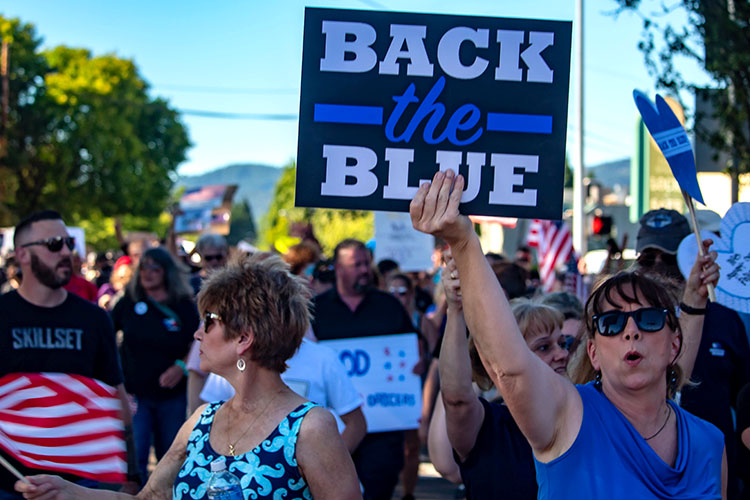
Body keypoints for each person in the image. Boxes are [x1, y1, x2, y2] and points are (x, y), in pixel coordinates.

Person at [410, 170, 725, 499]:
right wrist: (464, 243)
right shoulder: (568, 416)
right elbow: (510, 366)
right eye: (611, 323)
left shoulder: (709, 442)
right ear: (593, 352)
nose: (631, 331)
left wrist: (694, 300)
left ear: (675, 344)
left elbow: (675, 378)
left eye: (647, 319)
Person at [16, 253, 361, 500]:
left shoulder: (310, 427)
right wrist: (68, 491)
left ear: (244, 338)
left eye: (208, 322)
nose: (197, 335)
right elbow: (149, 497)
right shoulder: (200, 421)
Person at [0, 210, 138, 498]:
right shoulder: (3, 315)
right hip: (10, 482)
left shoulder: (94, 319)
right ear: (23, 254)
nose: (66, 252)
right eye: (54, 244)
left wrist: (131, 472)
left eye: (68, 243)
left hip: (80, 485)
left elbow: (116, 397)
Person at [432, 252, 571, 499]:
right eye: (544, 347)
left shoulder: (585, 415)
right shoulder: (489, 429)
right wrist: (456, 310)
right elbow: (457, 400)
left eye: (563, 343)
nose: (561, 354)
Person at [634, 208, 750, 498]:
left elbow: (746, 394)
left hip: (714, 477)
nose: (658, 266)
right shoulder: (624, 324)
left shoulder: (724, 318)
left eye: (669, 256)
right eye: (648, 257)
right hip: (644, 476)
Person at [311, 239, 416, 500]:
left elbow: (411, 348)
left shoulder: (389, 306)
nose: (365, 270)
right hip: (332, 430)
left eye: (366, 263)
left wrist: (418, 362)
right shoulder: (316, 311)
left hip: (383, 427)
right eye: (356, 264)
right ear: (338, 268)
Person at [111, 247, 199, 482]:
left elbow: (198, 341)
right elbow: (106, 336)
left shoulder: (183, 305)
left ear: (166, 272)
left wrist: (180, 367)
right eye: (144, 267)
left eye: (155, 268)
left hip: (172, 396)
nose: (148, 273)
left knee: (170, 457)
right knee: (136, 456)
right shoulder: (128, 303)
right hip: (136, 395)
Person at [199, 336, 368, 453]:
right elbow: (208, 424)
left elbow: (356, 423)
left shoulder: (323, 358)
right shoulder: (234, 359)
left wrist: (328, 465)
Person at [185, 233, 230, 414]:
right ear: (201, 257)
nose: (214, 262)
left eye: (218, 257)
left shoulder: (235, 282)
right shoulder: (190, 286)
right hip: (199, 352)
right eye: (209, 257)